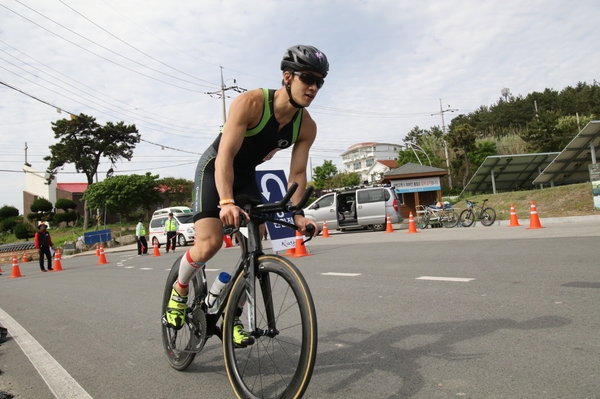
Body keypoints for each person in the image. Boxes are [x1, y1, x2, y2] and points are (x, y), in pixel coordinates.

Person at [164, 44, 328, 347]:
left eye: (320, 81)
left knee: (255, 248)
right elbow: (225, 155)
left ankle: (232, 317)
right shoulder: (250, 102)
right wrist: (226, 201)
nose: (314, 87)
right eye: (308, 78)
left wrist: (297, 212)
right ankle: (180, 289)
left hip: (246, 177)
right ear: (287, 77)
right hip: (216, 169)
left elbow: (298, 174)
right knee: (210, 243)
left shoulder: (306, 126)